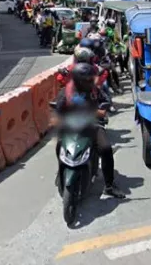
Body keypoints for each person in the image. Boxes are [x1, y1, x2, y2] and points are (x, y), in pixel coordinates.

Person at [52, 59, 125, 198]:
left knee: (106, 149)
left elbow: (106, 101)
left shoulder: (95, 90)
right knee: (59, 144)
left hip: (93, 125)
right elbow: (59, 108)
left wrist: (102, 109)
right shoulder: (66, 92)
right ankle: (61, 169)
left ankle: (109, 185)